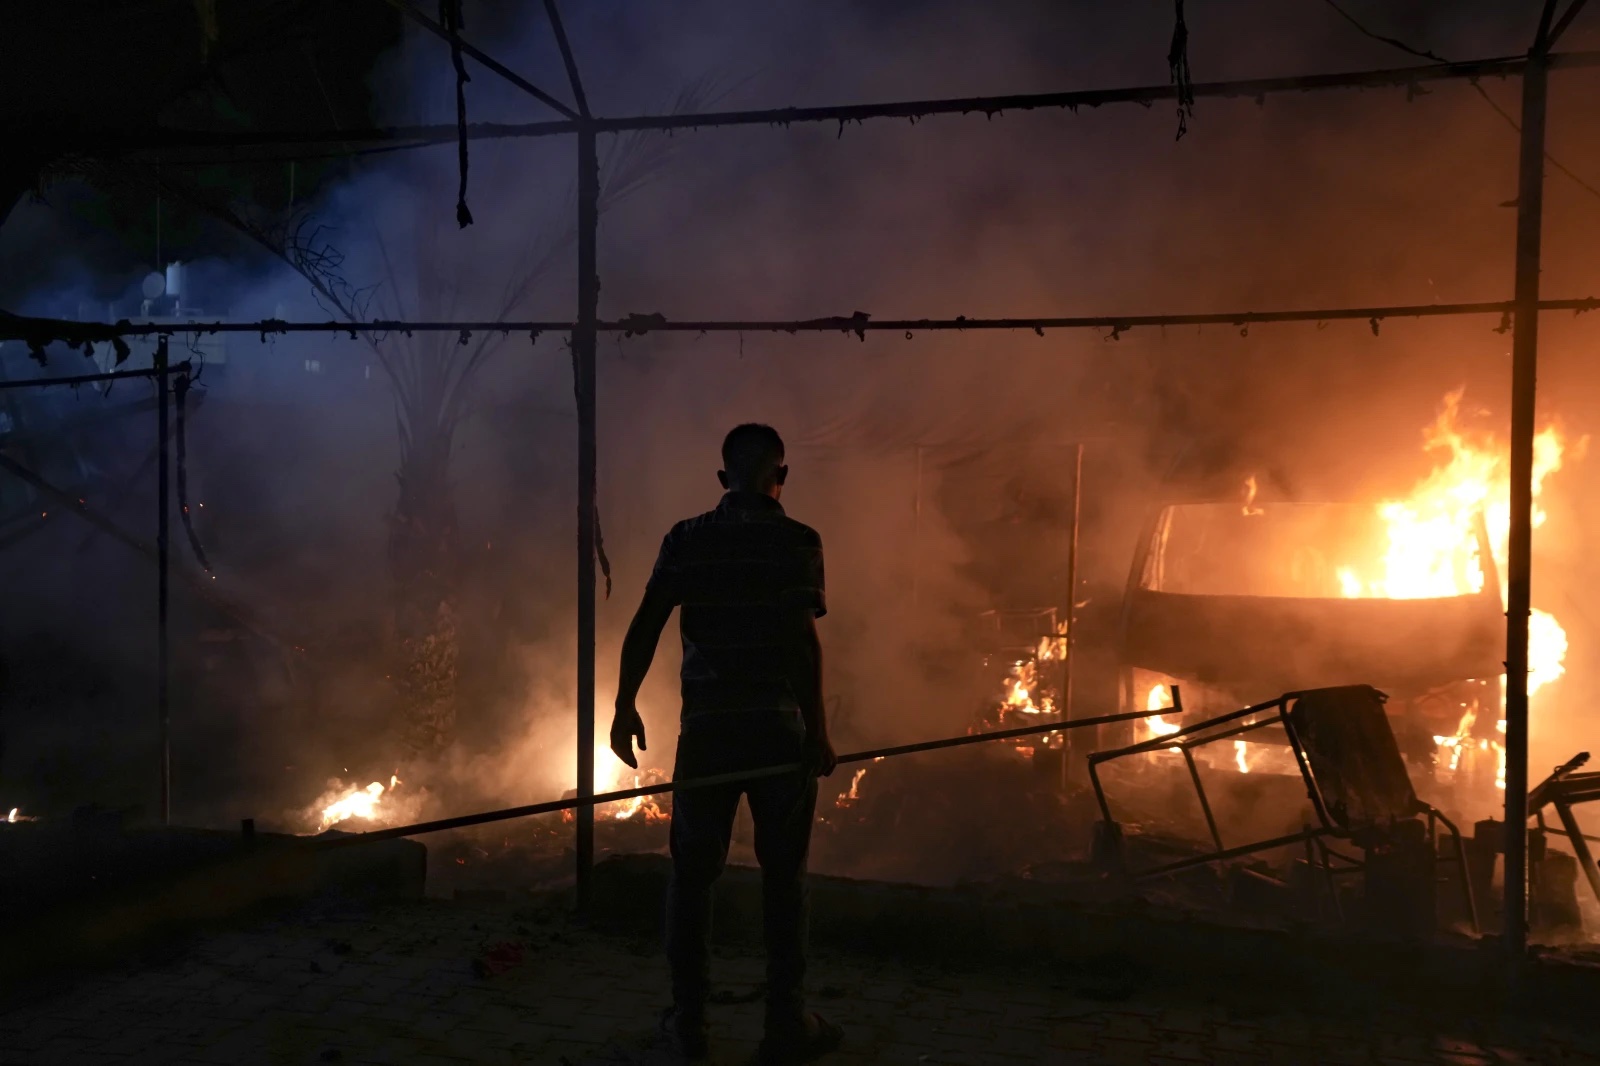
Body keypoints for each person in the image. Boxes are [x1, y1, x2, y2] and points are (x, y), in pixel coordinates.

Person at [611, 423, 843, 1064]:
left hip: (708, 734)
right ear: (782, 475)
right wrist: (817, 731)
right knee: (784, 880)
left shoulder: (688, 539)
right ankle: (785, 1024)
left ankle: (690, 1028)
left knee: (692, 879)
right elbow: (801, 641)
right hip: (776, 733)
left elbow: (646, 622)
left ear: (722, 479)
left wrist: (624, 705)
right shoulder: (798, 541)